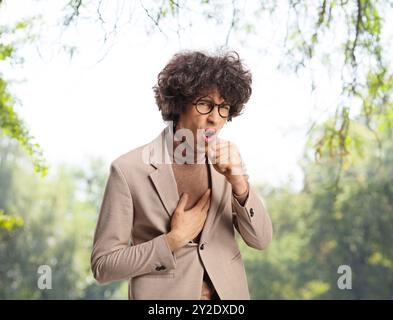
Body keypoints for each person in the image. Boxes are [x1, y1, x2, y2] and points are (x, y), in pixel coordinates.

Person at [91, 50, 273, 300]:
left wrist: (240, 184)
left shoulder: (229, 162)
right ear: (179, 103)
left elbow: (261, 240)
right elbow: (104, 266)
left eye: (223, 108)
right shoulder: (128, 170)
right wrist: (172, 241)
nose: (214, 118)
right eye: (205, 104)